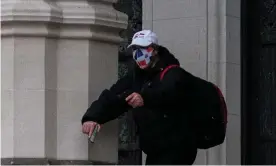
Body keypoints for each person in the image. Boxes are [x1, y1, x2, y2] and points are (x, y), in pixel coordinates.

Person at [81, 30, 198, 165]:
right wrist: (93, 117)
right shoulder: (136, 77)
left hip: (178, 147)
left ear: (154, 50)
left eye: (143, 48)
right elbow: (115, 96)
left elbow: (169, 93)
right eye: (135, 49)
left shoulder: (173, 73)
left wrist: (145, 98)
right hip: (155, 148)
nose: (138, 54)